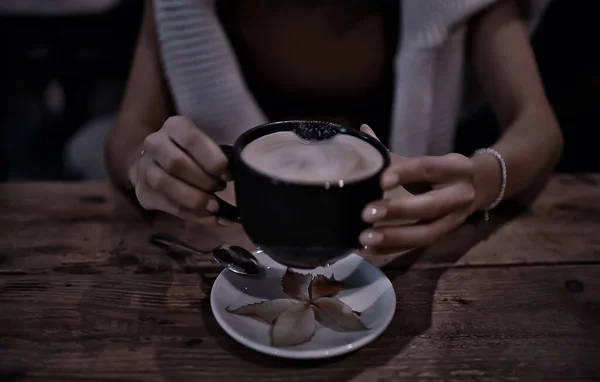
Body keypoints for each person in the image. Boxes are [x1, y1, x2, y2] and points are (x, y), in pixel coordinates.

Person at [105, 0, 563, 254]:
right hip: (235, 250)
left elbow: (538, 125)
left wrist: (481, 181)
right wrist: (145, 166)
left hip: (402, 250)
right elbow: (130, 128)